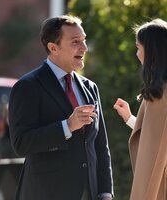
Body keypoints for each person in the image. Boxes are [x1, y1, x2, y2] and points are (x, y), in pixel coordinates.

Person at [9, 15, 113, 200]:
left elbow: (100, 146)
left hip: (89, 193)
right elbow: (21, 143)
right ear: (53, 47)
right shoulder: (28, 86)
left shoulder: (90, 87)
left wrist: (105, 192)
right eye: (75, 42)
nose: (84, 48)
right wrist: (67, 126)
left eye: (84, 40)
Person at [113, 18, 167, 200]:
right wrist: (129, 118)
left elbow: (157, 153)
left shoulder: (161, 94)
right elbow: (155, 136)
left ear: (151, 51)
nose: (137, 54)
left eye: (138, 47)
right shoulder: (159, 91)